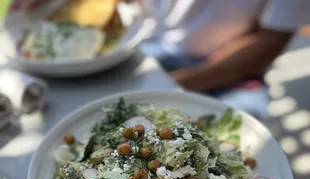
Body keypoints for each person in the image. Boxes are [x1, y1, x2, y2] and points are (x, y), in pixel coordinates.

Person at [8, 0, 310, 115]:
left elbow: (271, 40)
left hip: (229, 69)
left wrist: (178, 83)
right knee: (70, 111)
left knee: (232, 150)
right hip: (143, 46)